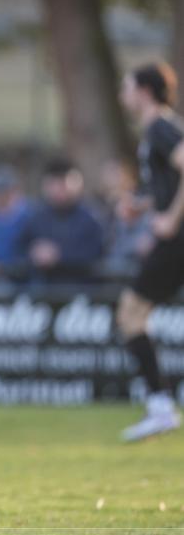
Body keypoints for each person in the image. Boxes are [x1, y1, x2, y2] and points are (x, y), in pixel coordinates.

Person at [116, 62, 184, 441]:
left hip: (177, 239)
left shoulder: (160, 127)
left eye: (125, 87)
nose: (122, 95)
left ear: (143, 91)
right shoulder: (155, 130)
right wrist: (141, 206)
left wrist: (172, 220)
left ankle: (160, 408)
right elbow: (168, 181)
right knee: (133, 314)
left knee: (131, 313)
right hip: (173, 238)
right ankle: (159, 406)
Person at [17, 159, 104, 285]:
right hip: (43, 291)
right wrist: (34, 253)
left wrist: (59, 255)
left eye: (63, 183)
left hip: (81, 291)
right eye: (54, 183)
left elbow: (95, 252)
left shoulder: (90, 218)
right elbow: (20, 250)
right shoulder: (36, 218)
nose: (59, 189)